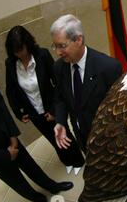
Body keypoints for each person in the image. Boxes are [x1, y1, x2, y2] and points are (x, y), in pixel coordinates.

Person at [0, 75, 73, 202]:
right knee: (17, 181)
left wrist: (12, 135)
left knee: (30, 166)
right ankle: (40, 200)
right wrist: (6, 155)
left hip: (7, 137)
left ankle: (51, 186)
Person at [5, 26, 85, 175]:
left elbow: (57, 83)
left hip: (50, 107)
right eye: (15, 51)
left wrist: (54, 110)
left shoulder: (42, 55)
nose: (19, 54)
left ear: (27, 44)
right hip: (33, 111)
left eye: (20, 49)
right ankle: (67, 161)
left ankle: (78, 160)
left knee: (64, 134)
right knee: (52, 138)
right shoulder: (10, 63)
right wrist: (18, 112)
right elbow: (11, 91)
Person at [51, 14, 122, 153]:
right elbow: (60, 98)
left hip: (107, 140)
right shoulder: (59, 67)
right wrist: (60, 121)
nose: (58, 52)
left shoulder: (109, 67)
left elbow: (119, 110)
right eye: (55, 46)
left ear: (78, 39)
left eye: (62, 46)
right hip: (81, 136)